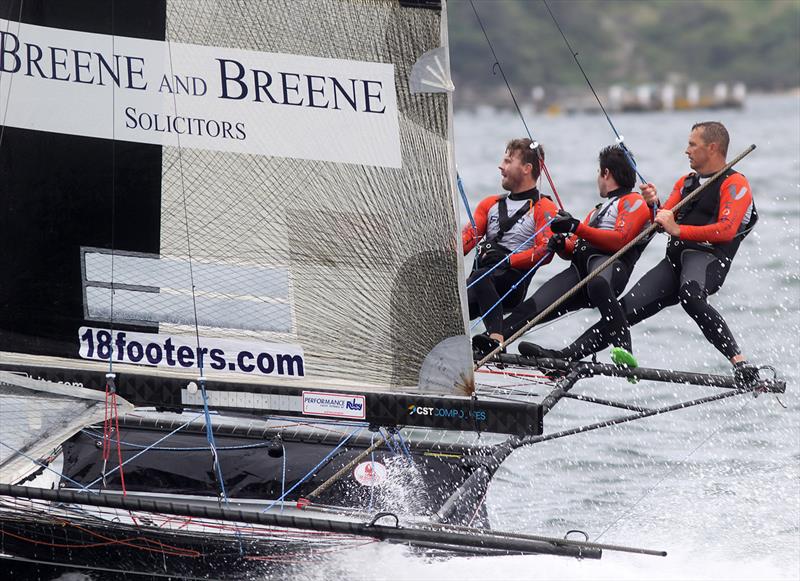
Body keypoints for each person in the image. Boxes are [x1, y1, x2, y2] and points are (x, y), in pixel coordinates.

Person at [524, 122, 760, 386]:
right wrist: (652, 205)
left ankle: (740, 363)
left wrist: (678, 229)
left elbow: (727, 231)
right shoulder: (686, 182)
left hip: (707, 260)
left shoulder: (735, 183)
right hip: (674, 263)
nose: (687, 150)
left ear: (712, 147)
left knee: (690, 296)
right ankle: (565, 358)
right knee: (623, 312)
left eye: (693, 144)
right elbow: (661, 220)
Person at [478, 144, 651, 361]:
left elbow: (619, 241)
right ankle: (491, 344)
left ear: (606, 173)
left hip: (608, 270)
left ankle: (624, 348)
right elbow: (573, 249)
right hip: (579, 271)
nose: (598, 178)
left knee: (598, 282)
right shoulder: (597, 210)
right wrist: (561, 244)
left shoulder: (634, 201)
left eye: (599, 172)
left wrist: (576, 227)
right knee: (530, 308)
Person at [463, 138, 558, 355]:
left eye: (507, 161)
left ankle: (496, 340)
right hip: (480, 284)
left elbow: (546, 253)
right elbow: (467, 238)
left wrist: (508, 260)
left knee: (481, 275)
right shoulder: (490, 204)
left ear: (526, 168)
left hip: (512, 285)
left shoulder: (544, 207)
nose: (500, 166)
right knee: (447, 306)